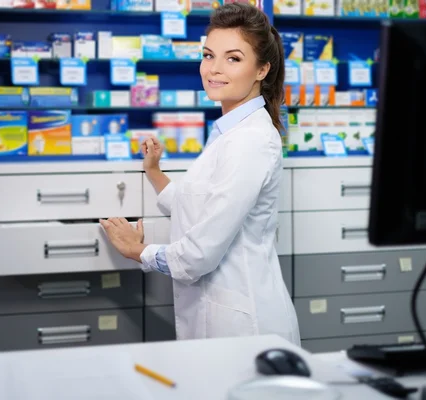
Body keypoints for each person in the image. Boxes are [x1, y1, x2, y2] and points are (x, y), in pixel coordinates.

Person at [99, 2, 301, 346]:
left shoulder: (250, 140)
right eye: (209, 55)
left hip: (244, 325)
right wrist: (154, 171)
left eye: (233, 58)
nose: (214, 69)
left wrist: (139, 251)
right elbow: (194, 204)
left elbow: (198, 255)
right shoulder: (229, 130)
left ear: (261, 70)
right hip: (220, 317)